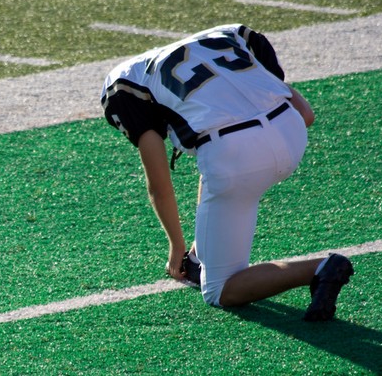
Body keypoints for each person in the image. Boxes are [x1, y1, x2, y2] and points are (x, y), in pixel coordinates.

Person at [100, 24, 353, 320]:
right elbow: (306, 115)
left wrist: (175, 246)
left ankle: (320, 268)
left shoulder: (122, 84)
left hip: (235, 157)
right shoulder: (231, 34)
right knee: (211, 157)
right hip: (292, 132)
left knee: (220, 290)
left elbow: (159, 184)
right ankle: (199, 255)